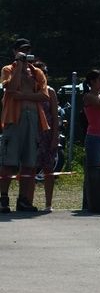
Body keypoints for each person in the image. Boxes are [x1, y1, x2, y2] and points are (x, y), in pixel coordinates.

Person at [0, 38, 50, 213]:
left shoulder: (37, 72)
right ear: (15, 52)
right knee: (9, 162)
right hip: (14, 119)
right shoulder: (8, 69)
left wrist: (22, 96)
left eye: (27, 50)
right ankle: (3, 199)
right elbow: (10, 89)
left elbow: (44, 95)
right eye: (22, 50)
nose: (25, 53)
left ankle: (24, 199)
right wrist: (19, 66)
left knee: (29, 162)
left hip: (33, 118)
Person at [33, 61, 59, 212]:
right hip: (32, 134)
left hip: (47, 135)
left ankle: (48, 204)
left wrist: (55, 136)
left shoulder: (50, 91)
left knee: (48, 169)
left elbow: (55, 116)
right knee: (29, 168)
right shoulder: (30, 91)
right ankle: (26, 201)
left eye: (45, 72)